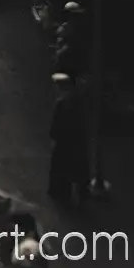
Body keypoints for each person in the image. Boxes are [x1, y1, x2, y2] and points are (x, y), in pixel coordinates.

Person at [48, 73, 89, 204]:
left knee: (60, 166)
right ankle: (80, 192)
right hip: (76, 141)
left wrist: (54, 137)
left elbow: (56, 125)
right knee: (77, 167)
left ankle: (61, 192)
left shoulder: (61, 104)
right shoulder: (80, 103)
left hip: (63, 141)